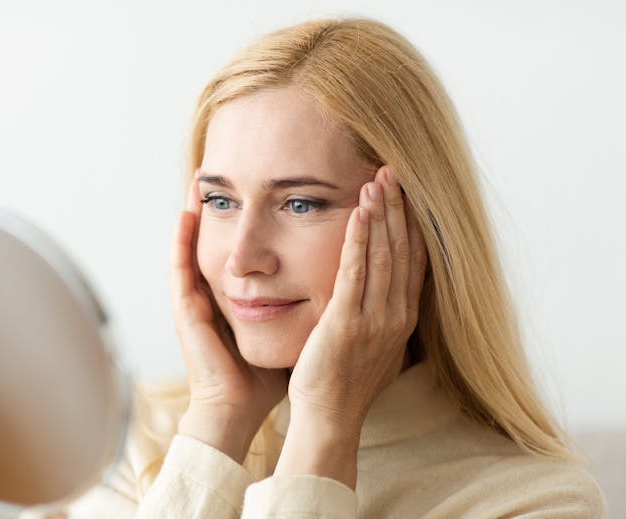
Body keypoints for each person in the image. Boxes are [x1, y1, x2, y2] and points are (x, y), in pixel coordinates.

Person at [54, 16, 605, 518]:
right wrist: (218, 422)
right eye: (221, 201)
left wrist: (325, 427)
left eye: (301, 204)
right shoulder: (129, 443)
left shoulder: (534, 500)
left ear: (413, 229)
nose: (243, 259)